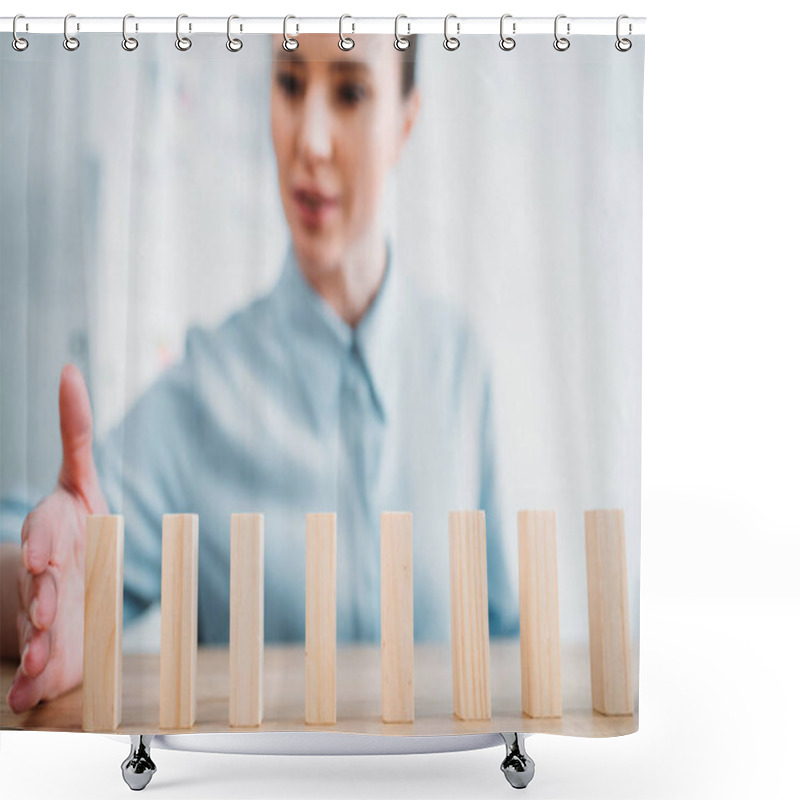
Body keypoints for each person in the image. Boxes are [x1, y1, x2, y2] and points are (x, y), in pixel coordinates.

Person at [0, 34, 518, 715]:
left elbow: (504, 642)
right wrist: (40, 583)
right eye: (290, 83)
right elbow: (29, 549)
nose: (311, 142)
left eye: (351, 91)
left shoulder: (460, 366)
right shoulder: (203, 393)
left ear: (406, 122)